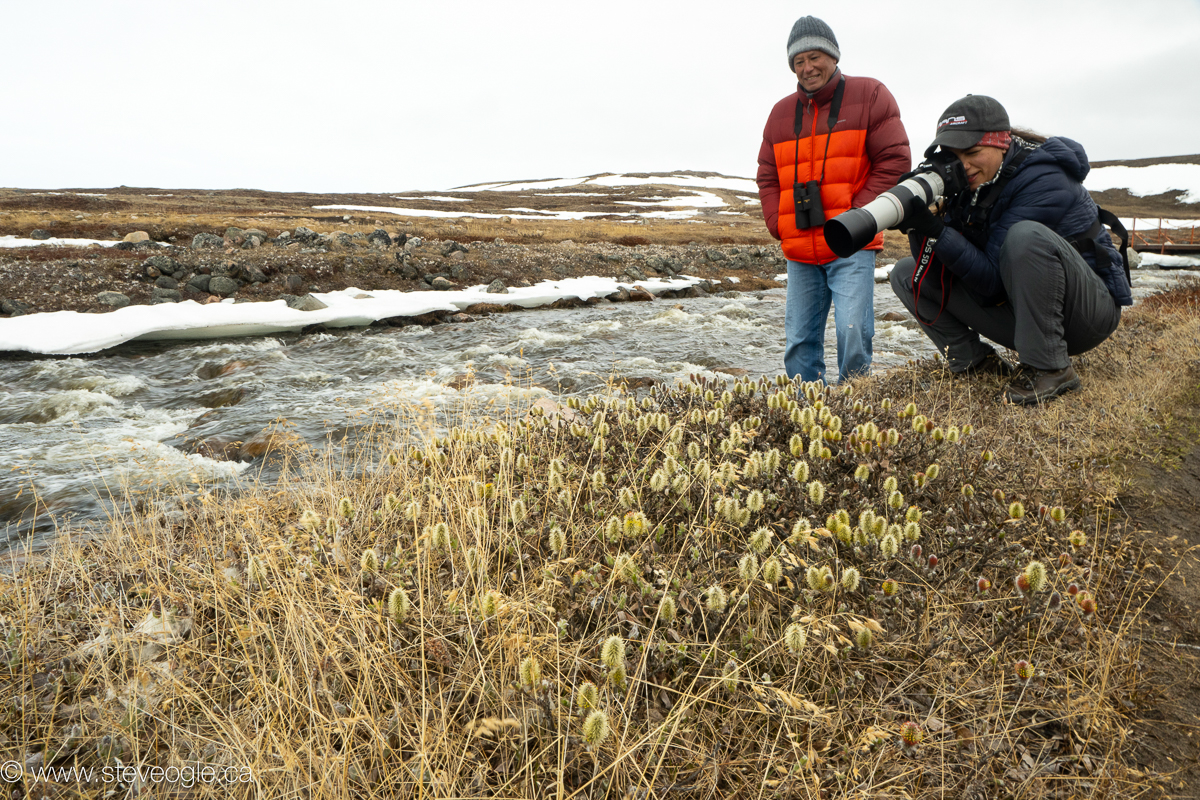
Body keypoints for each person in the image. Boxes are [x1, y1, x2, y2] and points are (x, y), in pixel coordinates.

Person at [888, 95, 1132, 405]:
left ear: (1002, 143)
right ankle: (974, 363)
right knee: (906, 273)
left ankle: (1052, 367)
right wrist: (919, 224)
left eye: (973, 153)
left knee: (1025, 237)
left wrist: (937, 230)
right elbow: (945, 267)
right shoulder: (969, 184)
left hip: (1087, 314)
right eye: (953, 157)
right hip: (1023, 308)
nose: (963, 166)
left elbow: (991, 283)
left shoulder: (1045, 177)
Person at [757, 16, 910, 384]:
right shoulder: (780, 113)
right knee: (798, 342)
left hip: (851, 243)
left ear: (833, 55)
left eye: (814, 57)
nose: (807, 68)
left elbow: (895, 160)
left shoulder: (870, 94)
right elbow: (767, 176)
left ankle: (853, 406)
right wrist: (778, 223)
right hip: (799, 248)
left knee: (854, 333)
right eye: (798, 62)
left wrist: (859, 215)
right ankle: (804, 411)